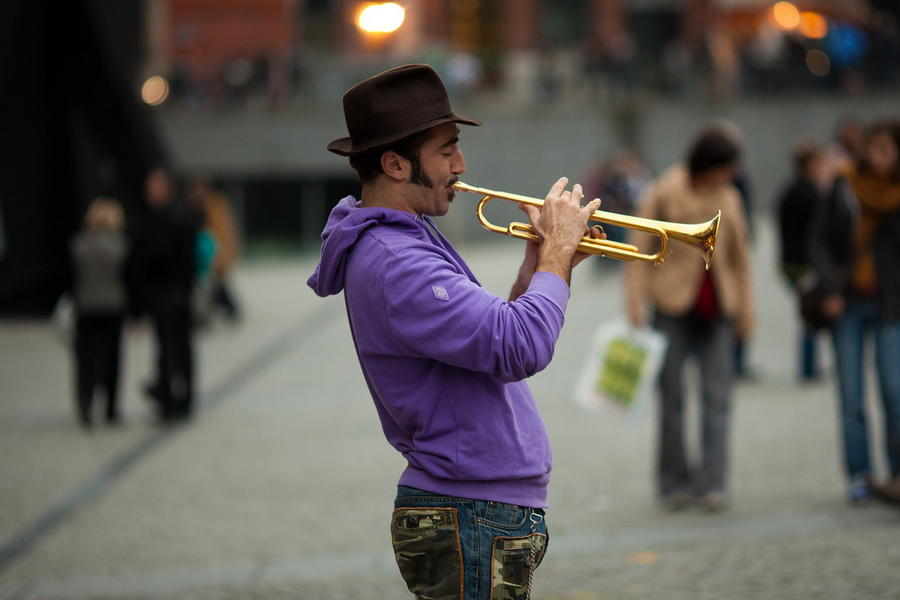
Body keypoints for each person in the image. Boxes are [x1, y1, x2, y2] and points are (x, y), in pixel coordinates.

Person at [307, 64, 603, 599]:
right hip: (467, 512)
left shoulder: (407, 240)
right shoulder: (399, 260)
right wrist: (557, 251)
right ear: (395, 164)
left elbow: (490, 347)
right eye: (446, 151)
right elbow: (521, 345)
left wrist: (541, 263)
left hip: (475, 509)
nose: (461, 166)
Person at [624, 126, 755, 512]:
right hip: (671, 304)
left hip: (719, 307)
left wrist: (747, 312)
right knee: (672, 397)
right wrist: (635, 304)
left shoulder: (730, 198)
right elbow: (637, 252)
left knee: (718, 397)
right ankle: (673, 482)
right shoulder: (662, 192)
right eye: (726, 166)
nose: (731, 174)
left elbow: (741, 259)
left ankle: (713, 483)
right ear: (709, 164)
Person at [807, 118, 900, 504]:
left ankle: (897, 474)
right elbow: (818, 240)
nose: (875, 156)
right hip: (847, 300)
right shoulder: (844, 185)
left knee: (894, 391)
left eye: (884, 149)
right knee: (851, 394)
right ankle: (859, 475)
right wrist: (829, 286)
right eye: (871, 148)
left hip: (891, 303)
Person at [136, 167, 202, 423]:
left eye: (152, 186)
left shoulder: (167, 217)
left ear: (167, 187)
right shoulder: (179, 215)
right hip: (177, 291)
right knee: (178, 348)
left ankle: (173, 399)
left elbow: (160, 257)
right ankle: (177, 397)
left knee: (171, 348)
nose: (148, 191)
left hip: (168, 293)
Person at [69, 197, 130, 427]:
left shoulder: (78, 245)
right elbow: (130, 280)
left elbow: (71, 279)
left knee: (86, 357)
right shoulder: (122, 245)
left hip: (86, 307)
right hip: (114, 308)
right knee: (113, 358)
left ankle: (86, 400)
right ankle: (111, 408)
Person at [777, 139, 827, 381]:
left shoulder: (790, 191)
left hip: (791, 261)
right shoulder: (808, 194)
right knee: (810, 313)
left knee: (807, 312)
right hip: (803, 263)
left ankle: (809, 365)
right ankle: (808, 367)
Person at [186, 176, 242, 324]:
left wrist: (227, 254)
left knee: (215, 286)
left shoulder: (216, 204)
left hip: (215, 250)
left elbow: (225, 230)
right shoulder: (191, 205)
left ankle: (225, 309)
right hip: (202, 254)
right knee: (209, 287)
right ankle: (213, 312)